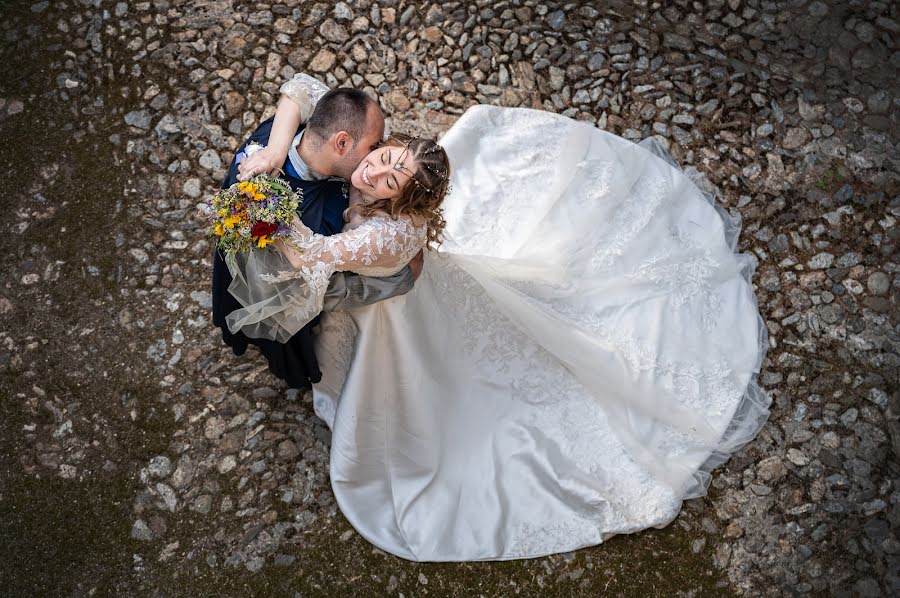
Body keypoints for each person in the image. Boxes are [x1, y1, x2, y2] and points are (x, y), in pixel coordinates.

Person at [229, 82, 771, 562]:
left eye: (389, 174)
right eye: (383, 154)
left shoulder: (382, 234)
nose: (373, 167)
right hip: (402, 288)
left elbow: (310, 255)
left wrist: (257, 206)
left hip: (387, 309)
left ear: (399, 199)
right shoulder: (371, 186)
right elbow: (303, 89)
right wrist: (278, 153)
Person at [211, 77, 420, 389]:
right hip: (281, 275)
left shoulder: (290, 135)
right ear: (342, 143)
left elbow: (299, 92)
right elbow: (308, 285)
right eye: (374, 147)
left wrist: (277, 148)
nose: (378, 153)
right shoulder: (291, 217)